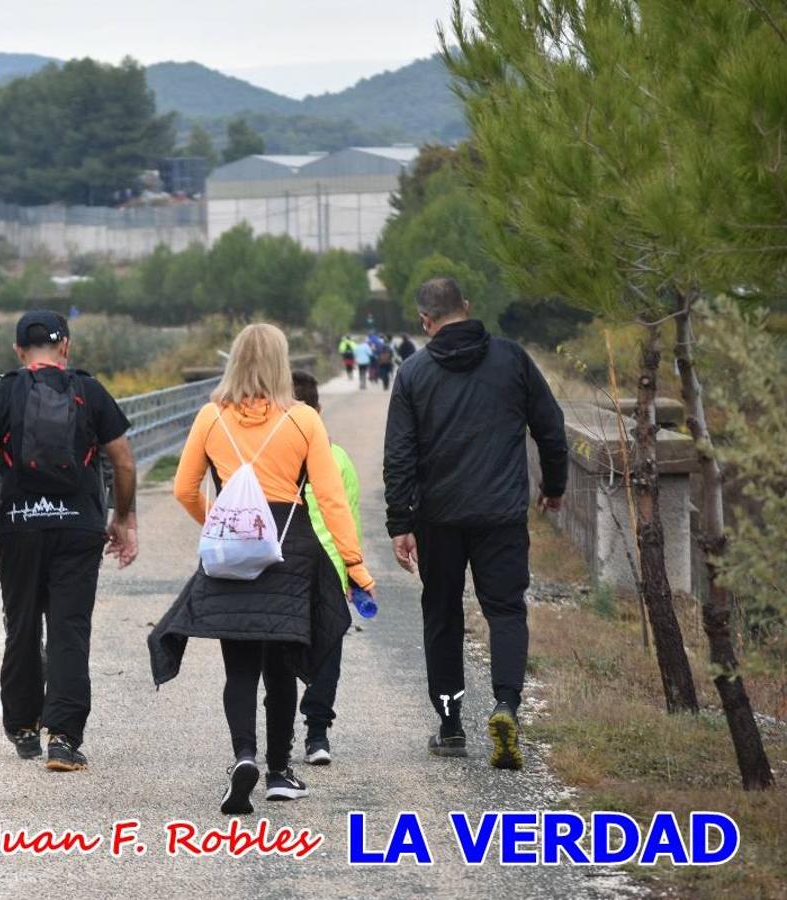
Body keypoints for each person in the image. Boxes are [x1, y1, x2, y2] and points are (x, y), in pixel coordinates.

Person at [149, 324, 375, 815]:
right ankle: (278, 771)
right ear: (279, 362)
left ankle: (243, 756)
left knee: (240, 666)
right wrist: (355, 566)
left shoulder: (211, 417)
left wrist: (219, 524)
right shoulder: (304, 422)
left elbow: (184, 488)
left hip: (234, 553)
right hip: (290, 549)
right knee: (281, 668)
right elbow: (332, 501)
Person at [383, 277, 567, 770]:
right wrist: (554, 487)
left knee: (443, 614)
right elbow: (550, 428)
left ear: (425, 321)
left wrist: (401, 522)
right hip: (501, 515)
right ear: (467, 307)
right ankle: (506, 706)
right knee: (505, 610)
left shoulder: (414, 373)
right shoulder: (512, 359)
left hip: (438, 518)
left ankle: (451, 726)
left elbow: (399, 455)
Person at [0, 310, 139, 773]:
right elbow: (123, 462)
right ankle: (63, 738)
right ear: (66, 346)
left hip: (20, 528)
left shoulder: (2, 392)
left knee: (22, 624)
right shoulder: (90, 390)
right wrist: (123, 518)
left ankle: (23, 726)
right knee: (69, 628)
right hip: (79, 527)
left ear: (19, 350)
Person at [290, 371, 361, 766]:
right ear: (318, 410)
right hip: (330, 569)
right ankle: (317, 734)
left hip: (284, 568)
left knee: (281, 652)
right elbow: (347, 517)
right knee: (328, 650)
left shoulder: (274, 457)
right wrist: (355, 570)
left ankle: (279, 734)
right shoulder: (338, 459)